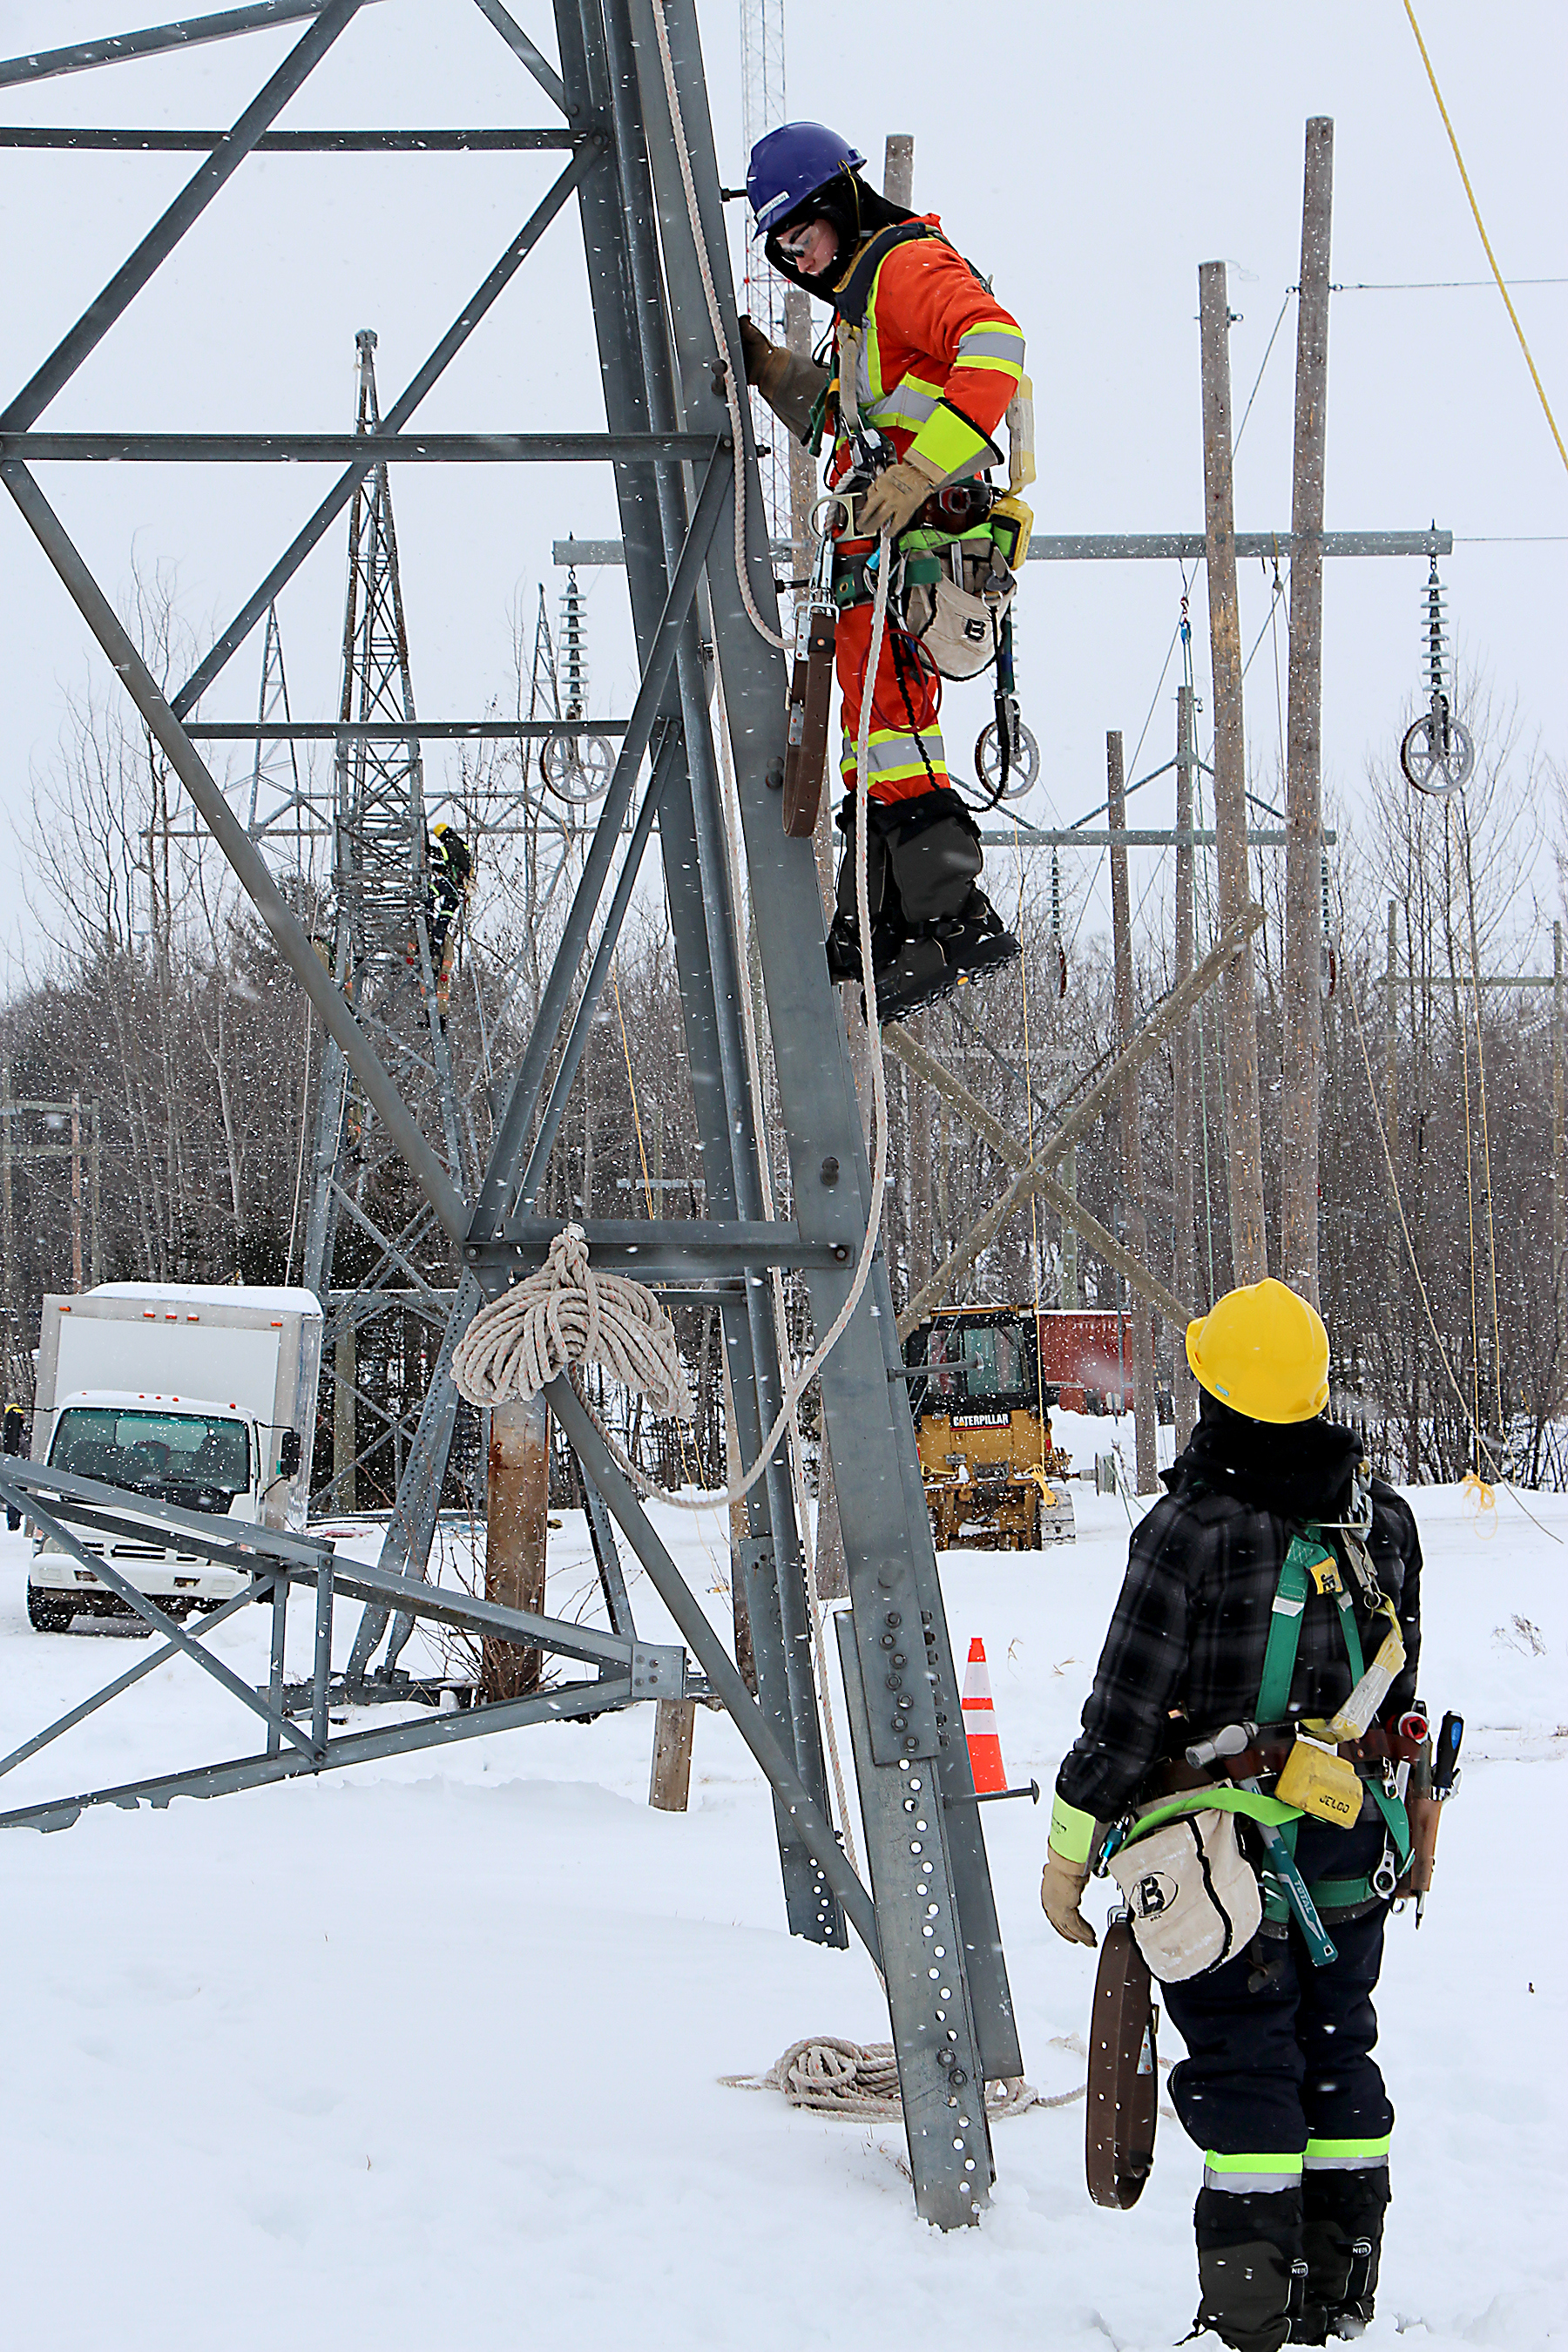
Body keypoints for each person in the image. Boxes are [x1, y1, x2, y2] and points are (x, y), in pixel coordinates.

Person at [1039, 1279, 1424, 2350]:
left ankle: (1253, 2317)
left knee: (1247, 2064)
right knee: (1339, 2048)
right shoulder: (1380, 1522)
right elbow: (1395, 1701)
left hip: (1223, 1865)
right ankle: (1338, 2298)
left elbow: (1122, 1715)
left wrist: (1070, 1851)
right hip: (1354, 1851)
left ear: (1214, 1384)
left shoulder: (1191, 1528)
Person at [740, 121, 1024, 1021]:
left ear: (838, 205)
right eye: (786, 252)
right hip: (874, 552)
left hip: (913, 544)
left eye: (804, 238)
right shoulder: (860, 305)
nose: (803, 262)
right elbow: (848, 417)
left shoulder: (904, 268)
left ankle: (948, 914)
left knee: (892, 725)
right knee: (876, 734)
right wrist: (773, 372)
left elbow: (996, 349)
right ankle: (888, 916)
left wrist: (917, 471)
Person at [425, 821, 473, 1015]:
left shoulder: (452, 844)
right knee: (445, 916)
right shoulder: (459, 845)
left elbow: (443, 855)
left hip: (455, 885)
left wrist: (427, 849)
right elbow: (449, 864)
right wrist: (437, 867)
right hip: (458, 887)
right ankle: (437, 939)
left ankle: (428, 916)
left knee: (431, 892)